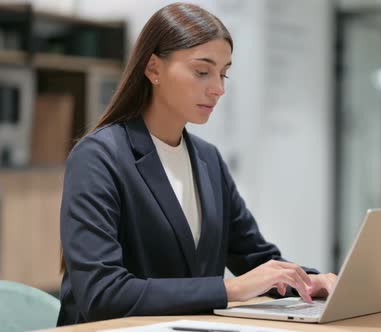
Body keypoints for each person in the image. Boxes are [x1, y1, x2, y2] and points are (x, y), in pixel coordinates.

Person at [57, 2, 337, 326]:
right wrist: (230, 288)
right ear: (153, 69)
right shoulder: (98, 158)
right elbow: (102, 294)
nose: (218, 88)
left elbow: (255, 257)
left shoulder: (208, 160)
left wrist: (314, 282)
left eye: (223, 73)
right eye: (202, 71)